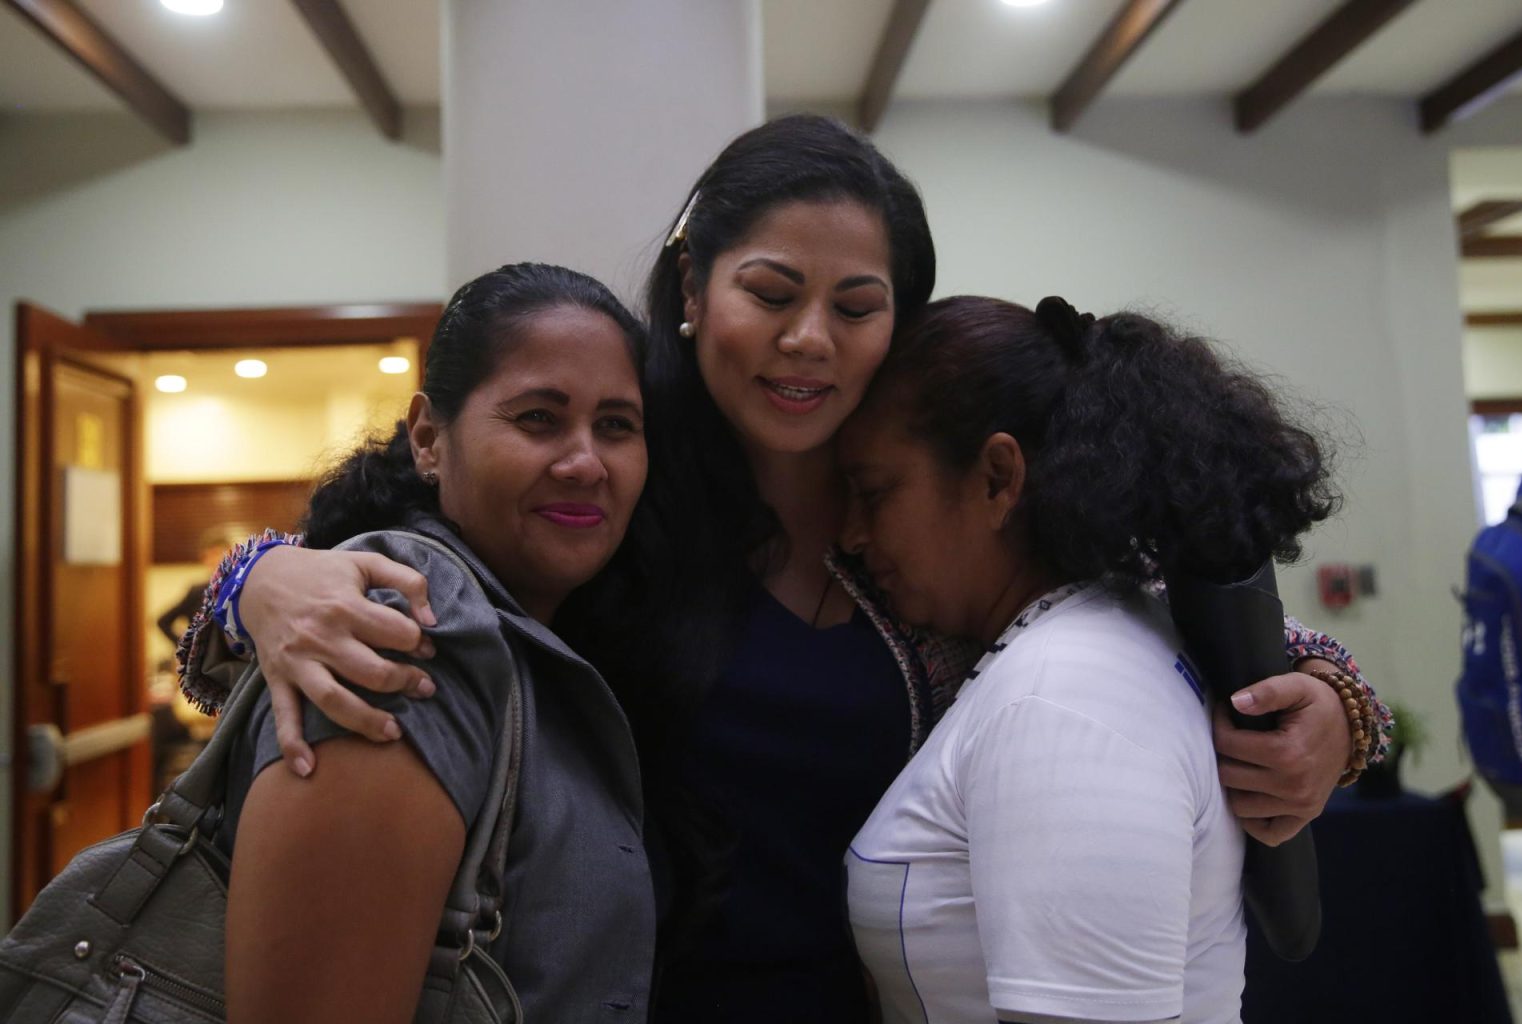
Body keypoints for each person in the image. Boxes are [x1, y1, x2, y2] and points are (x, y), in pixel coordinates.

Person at [177, 116, 1386, 1022]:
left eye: (856, 306)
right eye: (770, 291)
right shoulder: (609, 494)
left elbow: (1121, 608)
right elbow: (389, 569)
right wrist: (262, 585)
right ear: (696, 290)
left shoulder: (934, 533)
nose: (809, 338)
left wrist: (1333, 700)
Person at [841, 295, 1348, 1023]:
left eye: (874, 491)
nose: (852, 532)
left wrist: (1340, 700)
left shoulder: (1064, 700)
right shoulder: (1103, 633)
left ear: (996, 478)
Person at [217, 263, 655, 1023]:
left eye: (615, 426)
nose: (585, 461)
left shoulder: (544, 637)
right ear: (428, 437)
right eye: (538, 419)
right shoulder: (404, 633)